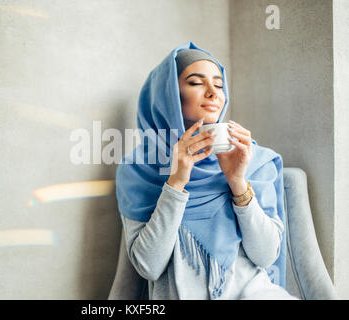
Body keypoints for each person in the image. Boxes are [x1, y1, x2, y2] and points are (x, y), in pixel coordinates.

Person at [115, 41, 299, 300]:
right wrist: (177, 181)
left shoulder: (255, 160)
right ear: (167, 95)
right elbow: (149, 266)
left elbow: (266, 256)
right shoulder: (139, 169)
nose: (214, 93)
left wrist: (237, 180)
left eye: (219, 84)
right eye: (196, 82)